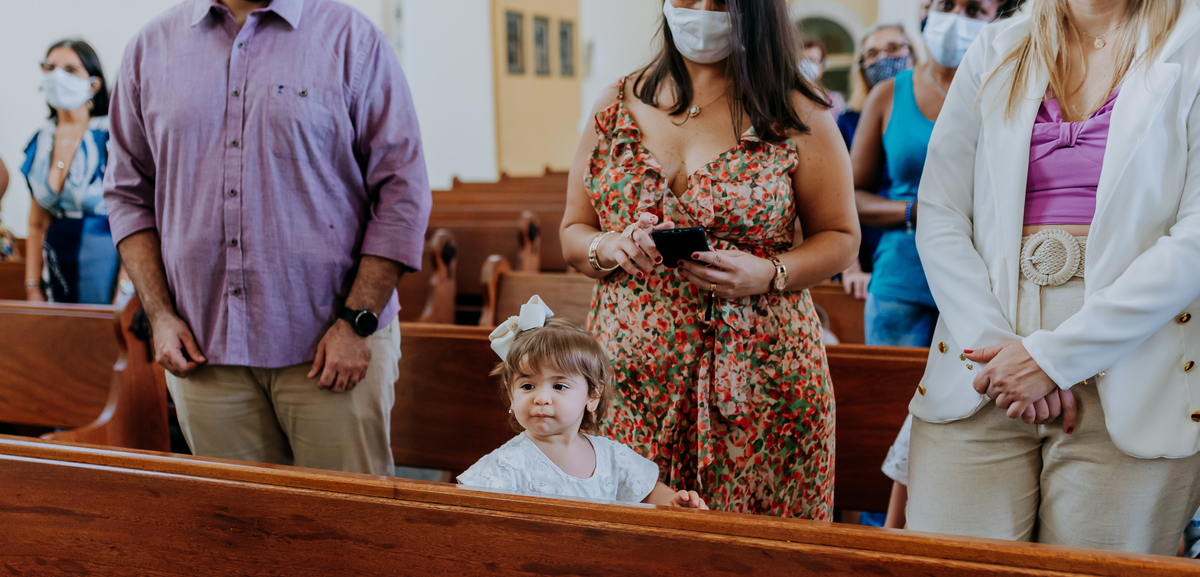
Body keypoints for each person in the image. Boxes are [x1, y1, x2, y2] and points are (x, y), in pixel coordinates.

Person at [909, 0, 1200, 554]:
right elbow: (941, 211)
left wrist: (1055, 357)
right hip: (986, 362)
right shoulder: (998, 46)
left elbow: (1196, 238)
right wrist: (998, 350)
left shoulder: (1192, 41)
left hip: (1131, 360)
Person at [104, 0, 431, 476]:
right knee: (236, 518)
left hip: (331, 344)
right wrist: (159, 315)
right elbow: (126, 194)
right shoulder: (148, 49)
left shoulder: (350, 39)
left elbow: (402, 189)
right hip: (203, 349)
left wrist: (357, 321)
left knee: (344, 517)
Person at [561, 0, 859, 519]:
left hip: (762, 375)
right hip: (632, 377)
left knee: (759, 547)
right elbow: (573, 232)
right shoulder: (616, 103)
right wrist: (607, 247)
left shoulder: (794, 109)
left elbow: (841, 236)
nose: (701, 9)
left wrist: (769, 273)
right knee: (632, 541)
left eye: (720, 0)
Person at [851, 1, 1020, 347]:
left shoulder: (1012, 91)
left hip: (985, 284)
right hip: (903, 281)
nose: (956, 19)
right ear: (925, 11)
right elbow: (850, 196)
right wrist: (915, 210)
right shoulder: (888, 94)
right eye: (946, 5)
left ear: (998, 19)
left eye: (974, 10)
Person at [458, 296, 708, 508]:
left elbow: (648, 491)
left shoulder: (611, 456)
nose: (541, 398)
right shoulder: (506, 465)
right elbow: (468, 511)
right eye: (527, 386)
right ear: (511, 394)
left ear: (593, 395)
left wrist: (671, 501)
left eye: (559, 386)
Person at [21, 40, 119, 303]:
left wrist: (127, 287)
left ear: (94, 85)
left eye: (70, 69)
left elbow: (135, 217)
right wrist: (33, 286)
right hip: (55, 269)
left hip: (107, 270)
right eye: (50, 67)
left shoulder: (112, 137)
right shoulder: (41, 141)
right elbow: (36, 223)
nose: (57, 76)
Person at [838, 24, 916, 300]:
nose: (883, 59)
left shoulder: (927, 115)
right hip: (864, 250)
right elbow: (837, 200)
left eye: (893, 48)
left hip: (916, 250)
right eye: (872, 54)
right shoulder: (848, 122)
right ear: (862, 67)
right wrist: (850, 268)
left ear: (913, 54)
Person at [801, 39, 846, 117]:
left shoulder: (835, 100)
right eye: (802, 60)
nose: (806, 65)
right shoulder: (791, 99)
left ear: (822, 65)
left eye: (812, 60)